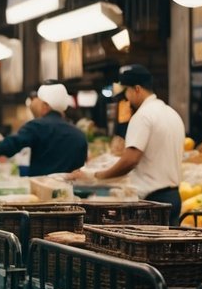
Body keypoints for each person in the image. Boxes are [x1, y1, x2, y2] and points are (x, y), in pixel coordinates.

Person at [72, 65, 185, 224]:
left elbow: (130, 160)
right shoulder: (172, 114)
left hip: (153, 203)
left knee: (150, 249)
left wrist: (98, 176)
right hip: (174, 197)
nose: (126, 98)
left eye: (127, 92)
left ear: (137, 89)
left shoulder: (143, 116)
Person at [0, 81, 88, 177]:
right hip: (70, 195)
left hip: (42, 194)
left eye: (36, 101)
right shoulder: (79, 135)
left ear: (45, 105)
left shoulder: (37, 126)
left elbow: (9, 145)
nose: (32, 104)